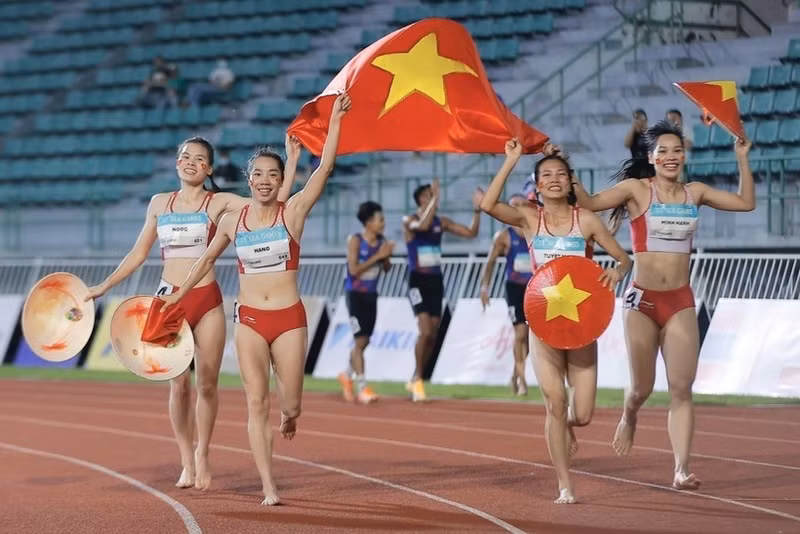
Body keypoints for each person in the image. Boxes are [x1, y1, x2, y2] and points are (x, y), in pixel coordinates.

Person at [159, 92, 351, 506]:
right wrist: (178, 297)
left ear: (281, 182)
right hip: (248, 320)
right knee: (255, 401)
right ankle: (268, 486)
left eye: (272, 175)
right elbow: (205, 260)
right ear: (249, 180)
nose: (264, 180)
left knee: (291, 402)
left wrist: (335, 121)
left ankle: (290, 416)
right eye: (258, 174)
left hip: (289, 320)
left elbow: (326, 167)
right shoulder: (233, 220)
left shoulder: (292, 214)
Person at [85, 135, 300, 491]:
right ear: (177, 163)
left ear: (209, 168)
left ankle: (203, 451)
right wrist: (104, 286)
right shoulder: (159, 203)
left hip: (207, 300)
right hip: (169, 300)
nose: (191, 162)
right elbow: (138, 253)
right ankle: (186, 457)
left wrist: (289, 163)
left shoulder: (220, 202)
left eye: (199, 159)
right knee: (179, 386)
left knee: (207, 384)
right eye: (185, 156)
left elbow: (273, 203)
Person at [571, 119, 754, 491]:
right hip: (642, 300)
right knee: (642, 387)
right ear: (652, 158)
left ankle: (681, 468)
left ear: (684, 156)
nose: (671, 156)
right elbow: (588, 203)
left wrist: (742, 158)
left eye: (677, 150)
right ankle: (630, 412)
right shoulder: (638, 190)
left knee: (682, 389)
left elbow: (745, 203)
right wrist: (567, 170)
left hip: (680, 301)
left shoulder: (695, 192)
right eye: (663, 151)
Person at [480, 138, 633, 504]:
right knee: (555, 402)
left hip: (581, 325)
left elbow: (624, 259)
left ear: (570, 181)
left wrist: (616, 271)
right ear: (536, 186)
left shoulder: (587, 220)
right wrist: (511, 160)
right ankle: (565, 485)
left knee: (582, 413)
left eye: (560, 174)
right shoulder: (529, 219)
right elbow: (488, 205)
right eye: (546, 175)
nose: (553, 180)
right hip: (543, 324)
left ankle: (567, 426)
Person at [403, 178, 483, 402]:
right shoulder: (409, 221)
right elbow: (423, 226)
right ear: (422, 199)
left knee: (433, 334)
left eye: (435, 196)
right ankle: (418, 378)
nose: (436, 200)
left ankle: (415, 376)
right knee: (425, 331)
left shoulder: (442, 221)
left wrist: (477, 210)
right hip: (417, 280)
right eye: (431, 196)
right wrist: (435, 199)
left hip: (436, 281)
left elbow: (471, 233)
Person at [337, 201, 394, 404]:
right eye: (380, 220)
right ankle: (362, 388)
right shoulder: (356, 240)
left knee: (365, 341)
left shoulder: (381, 241)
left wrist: (387, 257)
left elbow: (386, 268)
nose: (383, 224)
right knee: (360, 341)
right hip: (355, 295)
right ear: (368, 223)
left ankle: (346, 374)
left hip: (371, 295)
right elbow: (353, 270)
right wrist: (378, 256)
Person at [479, 193, 534, 395]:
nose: (518, 208)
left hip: (534, 289)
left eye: (522, 204)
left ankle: (515, 374)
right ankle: (522, 381)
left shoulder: (536, 232)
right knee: (520, 333)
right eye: (514, 205)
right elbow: (491, 261)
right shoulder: (504, 236)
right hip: (514, 288)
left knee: (530, 338)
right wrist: (485, 288)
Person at [624, 109, 655, 179]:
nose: (638, 121)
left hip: (650, 168)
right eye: (636, 119)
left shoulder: (650, 133)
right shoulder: (633, 135)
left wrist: (644, 128)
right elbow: (627, 144)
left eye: (640, 118)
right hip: (637, 167)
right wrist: (633, 128)